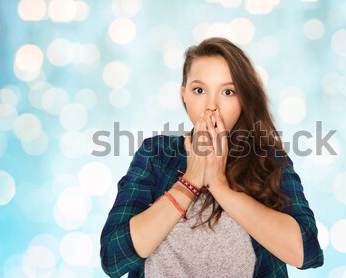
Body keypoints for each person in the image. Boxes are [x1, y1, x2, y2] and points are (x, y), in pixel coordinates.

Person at [100, 37, 324, 278]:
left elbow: (307, 253)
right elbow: (113, 259)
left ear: (243, 99)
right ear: (184, 94)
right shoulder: (156, 154)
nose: (211, 106)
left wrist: (219, 185)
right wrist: (189, 182)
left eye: (228, 92)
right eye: (199, 90)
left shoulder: (269, 159)